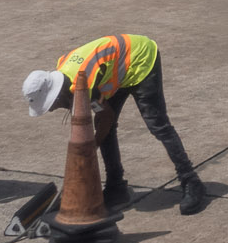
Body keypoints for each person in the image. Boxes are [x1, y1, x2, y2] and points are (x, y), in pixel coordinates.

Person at [21, 33, 209, 216]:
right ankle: (116, 187)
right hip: (117, 68)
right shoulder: (65, 73)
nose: (53, 110)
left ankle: (191, 181)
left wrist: (92, 146)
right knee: (104, 128)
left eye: (51, 105)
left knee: (157, 124)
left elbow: (107, 117)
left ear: (57, 93)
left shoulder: (84, 81)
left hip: (141, 57)